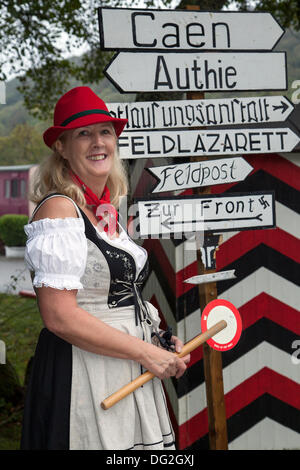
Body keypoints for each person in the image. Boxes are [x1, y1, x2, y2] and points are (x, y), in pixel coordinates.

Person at [20, 86, 190, 450]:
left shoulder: (104, 211)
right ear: (61, 147)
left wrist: (159, 342)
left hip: (126, 363)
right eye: (83, 133)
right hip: (85, 369)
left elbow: (122, 296)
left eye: (105, 132)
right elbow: (59, 317)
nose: (98, 142)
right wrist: (145, 353)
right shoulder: (60, 210)